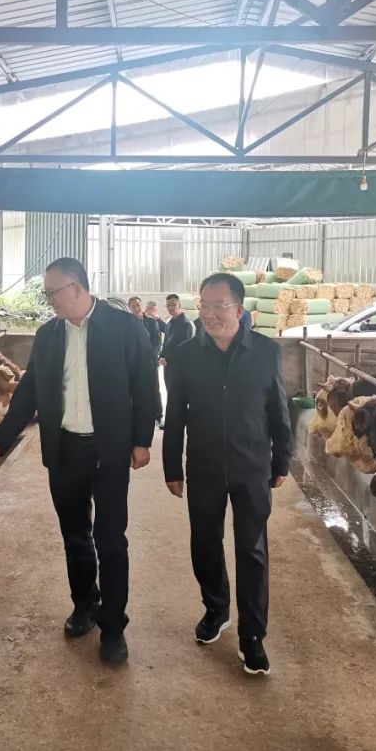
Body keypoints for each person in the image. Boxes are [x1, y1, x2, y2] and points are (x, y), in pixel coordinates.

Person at [0, 258, 158, 666]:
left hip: (110, 450)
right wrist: (0, 440)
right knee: (75, 535)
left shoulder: (124, 328)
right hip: (64, 450)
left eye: (53, 293)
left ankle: (113, 627)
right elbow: (28, 392)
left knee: (110, 540)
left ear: (77, 288)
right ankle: (84, 605)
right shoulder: (48, 335)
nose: (50, 301)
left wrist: (141, 441)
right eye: (47, 294)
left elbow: (145, 386)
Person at [162, 272, 292, 676]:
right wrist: (172, 467)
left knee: (252, 550)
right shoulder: (185, 356)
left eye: (219, 306)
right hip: (203, 467)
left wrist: (282, 460)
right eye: (204, 305)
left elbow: (279, 411)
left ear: (239, 308)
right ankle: (216, 609)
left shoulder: (266, 352)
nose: (210, 313)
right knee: (204, 542)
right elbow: (174, 416)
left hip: (252, 467)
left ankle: (252, 636)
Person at [129, 295, 165, 429]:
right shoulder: (128, 323)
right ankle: (137, 416)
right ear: (129, 308)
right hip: (133, 363)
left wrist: (150, 357)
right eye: (133, 306)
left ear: (141, 305)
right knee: (134, 389)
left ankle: (158, 416)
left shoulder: (151, 322)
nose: (136, 308)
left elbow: (157, 341)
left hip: (150, 362)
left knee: (154, 389)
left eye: (138, 305)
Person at [160, 293, 195, 395]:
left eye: (173, 304)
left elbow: (185, 348)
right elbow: (166, 343)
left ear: (179, 305)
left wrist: (168, 358)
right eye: (168, 305)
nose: (170, 307)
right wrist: (161, 356)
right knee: (170, 394)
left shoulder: (186, 324)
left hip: (180, 367)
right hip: (168, 366)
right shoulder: (169, 323)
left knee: (179, 396)